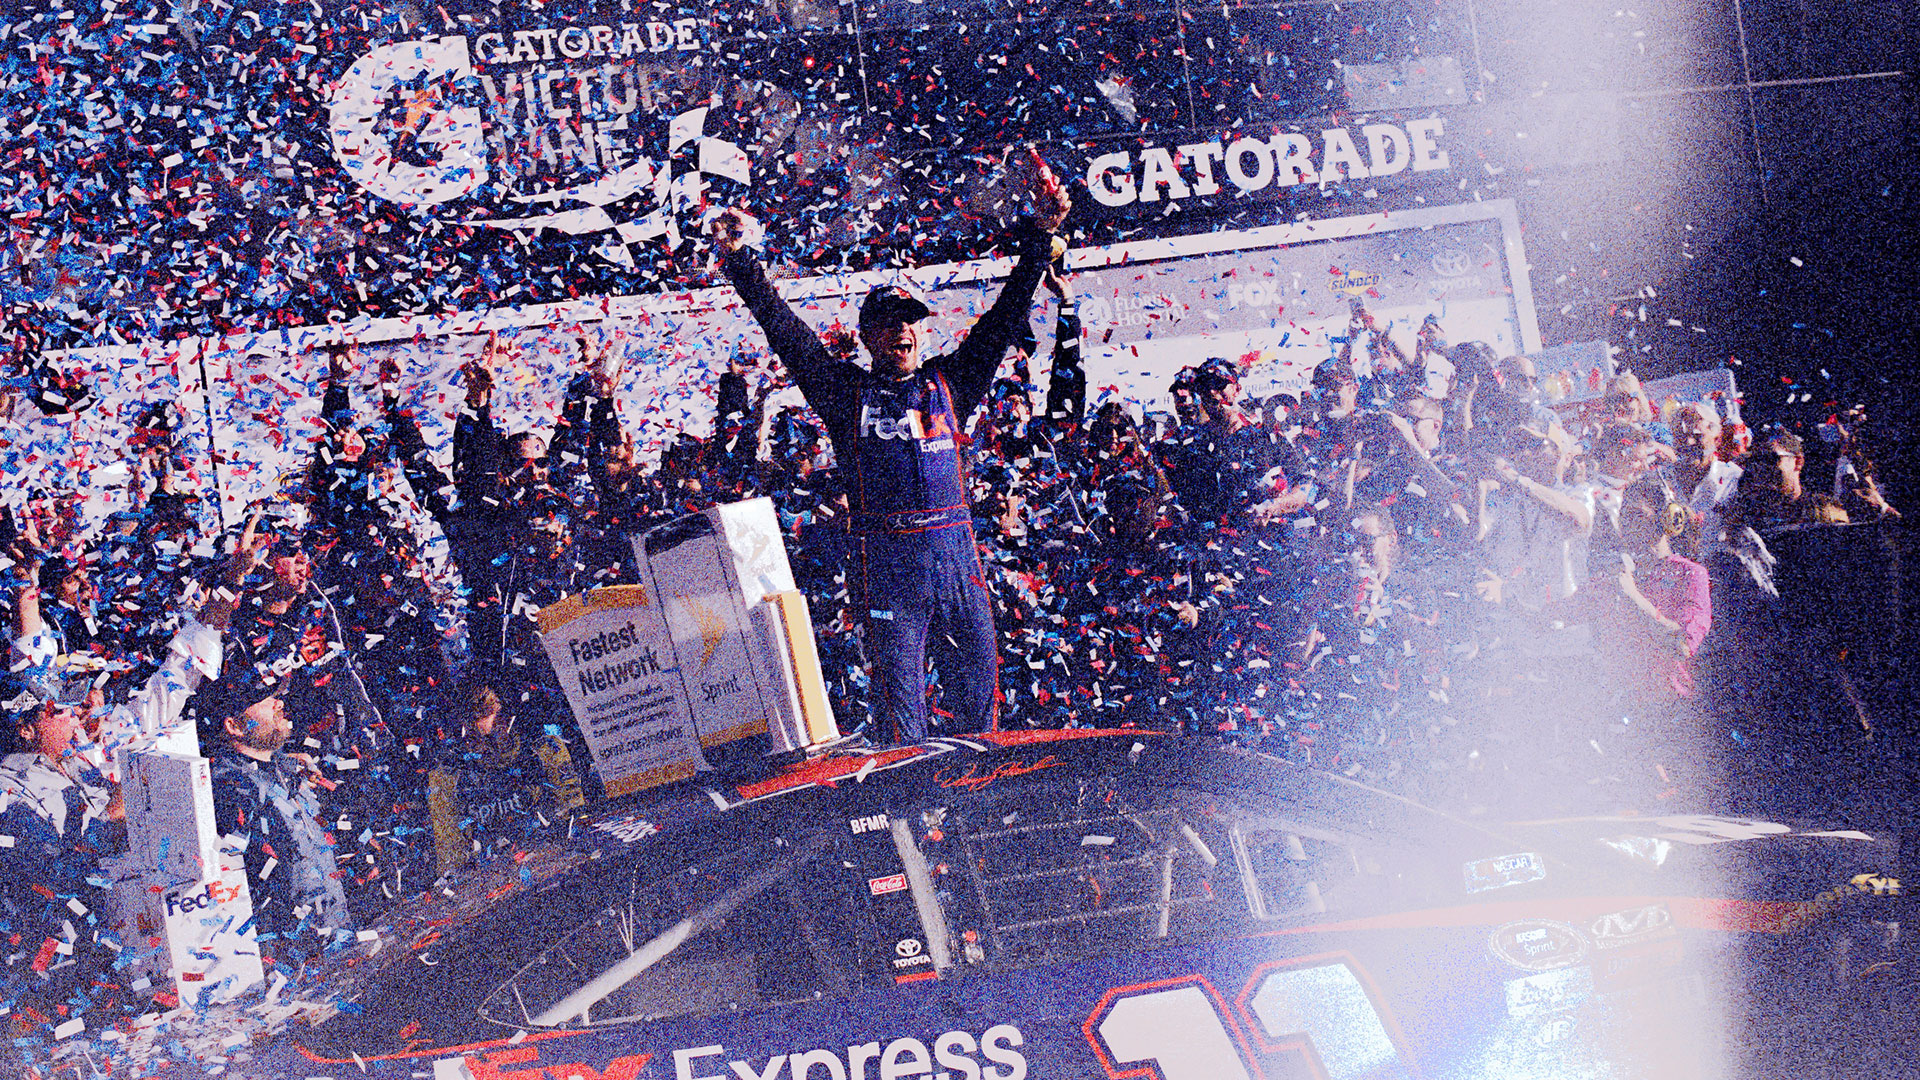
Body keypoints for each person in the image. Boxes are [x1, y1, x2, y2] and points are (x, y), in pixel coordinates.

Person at [706, 165, 1071, 743]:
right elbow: (785, 330)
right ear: (868, 336)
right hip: (889, 571)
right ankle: (909, 801)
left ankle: (981, 797)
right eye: (888, 323)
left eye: (911, 321)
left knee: (981, 715)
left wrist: (1040, 238)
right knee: (902, 723)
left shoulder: (952, 381)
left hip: (957, 562)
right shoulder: (843, 392)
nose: (903, 329)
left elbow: (1003, 320)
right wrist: (739, 260)